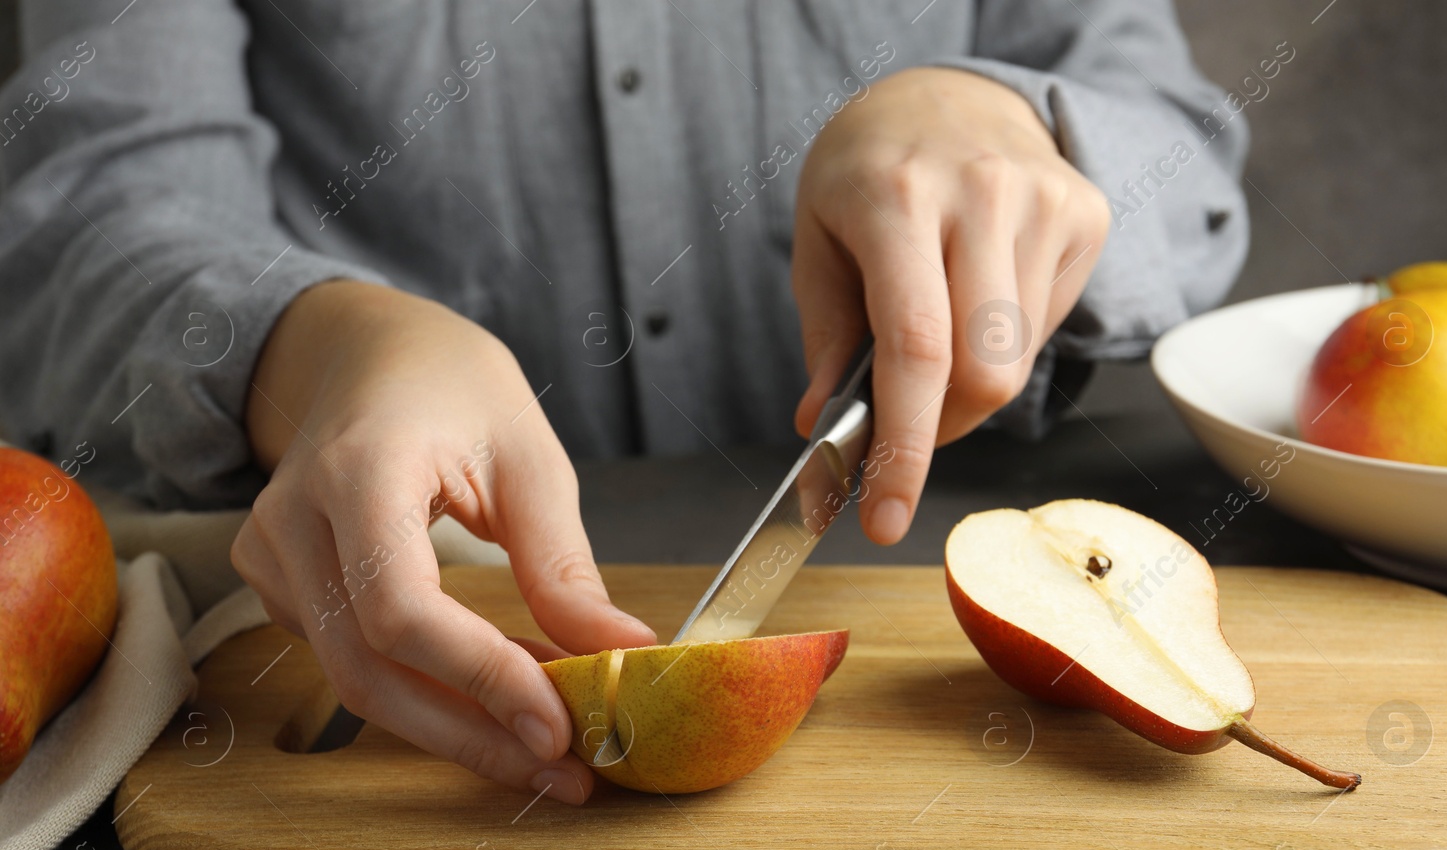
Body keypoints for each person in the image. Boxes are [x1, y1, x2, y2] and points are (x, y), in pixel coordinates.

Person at [0, 0, 1248, 804]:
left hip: (934, 561)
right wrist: (315, 343)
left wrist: (1012, 120)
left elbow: (1186, 146)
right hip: (359, 624)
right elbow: (83, 212)